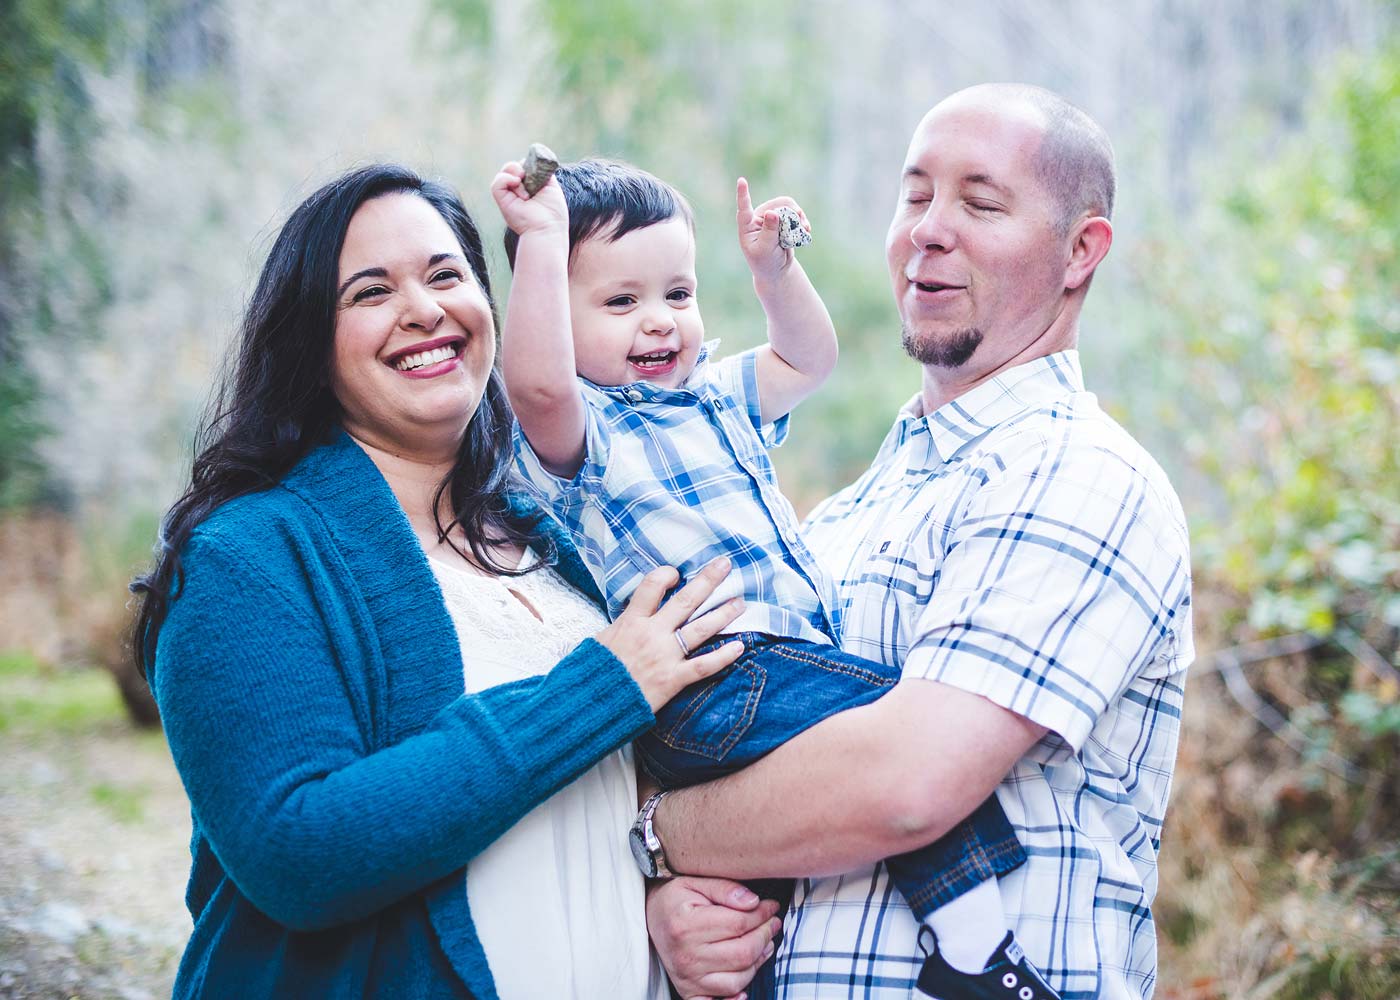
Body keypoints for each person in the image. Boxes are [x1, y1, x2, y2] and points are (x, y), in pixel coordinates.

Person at [129, 163, 753, 1000]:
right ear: (311, 342)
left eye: (445, 275)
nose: (423, 310)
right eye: (371, 291)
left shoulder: (544, 534)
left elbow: (593, 804)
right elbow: (297, 854)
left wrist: (664, 896)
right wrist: (599, 688)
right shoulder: (247, 554)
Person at [643, 83, 1195, 1000]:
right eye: (915, 196)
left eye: (980, 203)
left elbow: (906, 782)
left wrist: (659, 833)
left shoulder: (1079, 472)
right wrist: (678, 903)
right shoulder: (842, 516)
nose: (928, 231)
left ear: (1080, 251)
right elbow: (745, 760)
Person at [491, 156, 1058, 998]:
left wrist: (775, 272)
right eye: (620, 302)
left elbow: (809, 358)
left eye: (676, 295)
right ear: (556, 318)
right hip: (717, 683)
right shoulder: (587, 433)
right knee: (899, 729)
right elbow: (534, 384)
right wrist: (539, 240)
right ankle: (975, 954)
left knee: (754, 919)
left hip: (771, 679)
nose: (658, 324)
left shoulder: (716, 393)